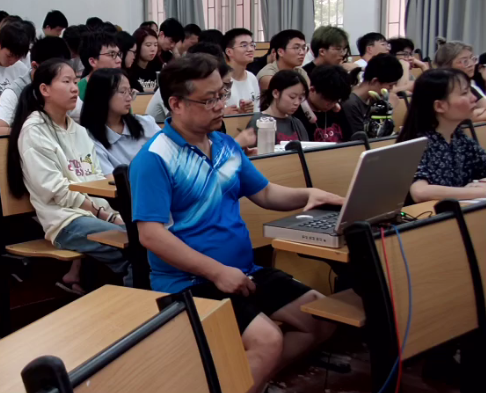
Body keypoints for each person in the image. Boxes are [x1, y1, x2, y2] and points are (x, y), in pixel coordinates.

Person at [130, 53, 339, 393]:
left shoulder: (225, 145)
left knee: (321, 318)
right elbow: (150, 236)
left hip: (244, 270)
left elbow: (265, 193)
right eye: (209, 99)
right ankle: (242, 379)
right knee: (267, 341)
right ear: (176, 104)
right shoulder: (155, 158)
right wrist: (216, 272)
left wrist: (309, 195)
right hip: (189, 283)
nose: (220, 105)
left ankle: (243, 380)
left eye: (222, 94)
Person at [6, 58, 131, 292]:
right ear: (45, 90)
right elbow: (55, 190)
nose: (75, 88)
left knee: (146, 240)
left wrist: (112, 214)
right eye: (66, 82)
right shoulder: (35, 131)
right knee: (134, 248)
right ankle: (140, 307)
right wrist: (105, 215)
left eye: (75, 81)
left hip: (94, 214)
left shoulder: (79, 131)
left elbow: (96, 180)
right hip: (65, 221)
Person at [397, 68, 486, 202]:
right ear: (439, 106)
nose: (474, 98)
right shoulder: (418, 143)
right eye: (464, 93)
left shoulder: (458, 137)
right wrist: (478, 192)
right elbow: (420, 192)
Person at [80, 68, 160, 175]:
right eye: (123, 92)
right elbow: (111, 180)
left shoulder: (145, 123)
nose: (129, 98)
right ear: (102, 95)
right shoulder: (90, 140)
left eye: (130, 91)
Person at [0, 36, 73, 135]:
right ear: (35, 66)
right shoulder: (15, 92)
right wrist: (36, 132)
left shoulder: (66, 87)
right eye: (54, 72)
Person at [342, 54, 404, 136]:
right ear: (374, 81)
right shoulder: (350, 104)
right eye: (390, 85)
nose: (391, 89)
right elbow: (363, 140)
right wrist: (387, 110)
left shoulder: (373, 100)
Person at [247, 70, 310, 144]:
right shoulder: (258, 122)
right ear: (276, 93)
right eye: (292, 97)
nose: (297, 103)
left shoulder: (297, 123)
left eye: (300, 98)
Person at [293, 65, 352, 142]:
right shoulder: (296, 113)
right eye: (327, 99)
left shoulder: (337, 111)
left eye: (336, 100)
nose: (331, 104)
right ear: (312, 90)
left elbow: (349, 139)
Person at [432, 38, 486, 120]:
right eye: (465, 61)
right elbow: (457, 118)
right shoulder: (441, 88)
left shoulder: (470, 86)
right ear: (447, 65)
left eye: (472, 59)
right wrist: (472, 115)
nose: (471, 64)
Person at [223, 28, 261, 114]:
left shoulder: (252, 78)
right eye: (244, 45)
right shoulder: (220, 78)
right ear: (229, 52)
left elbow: (256, 112)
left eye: (252, 45)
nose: (250, 49)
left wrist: (245, 112)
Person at [77, 32, 123, 99]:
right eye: (112, 54)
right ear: (93, 62)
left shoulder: (122, 85)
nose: (119, 60)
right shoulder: (78, 93)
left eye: (119, 54)